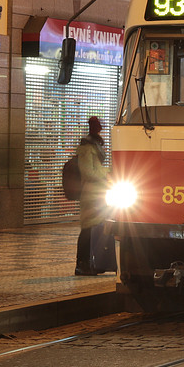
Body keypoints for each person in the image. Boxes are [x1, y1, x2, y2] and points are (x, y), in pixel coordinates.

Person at [75, 116, 108, 276]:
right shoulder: (86, 147)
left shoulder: (95, 144)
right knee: (88, 229)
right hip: (90, 194)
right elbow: (88, 172)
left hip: (99, 193)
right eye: (97, 125)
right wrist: (106, 174)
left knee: (96, 228)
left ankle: (94, 262)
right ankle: (82, 264)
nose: (100, 127)